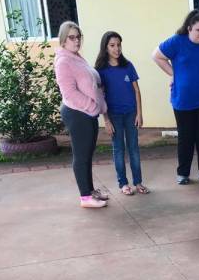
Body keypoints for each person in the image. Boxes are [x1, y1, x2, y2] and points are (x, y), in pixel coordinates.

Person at [152, 10, 199, 185]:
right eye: (198, 30)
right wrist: (173, 74)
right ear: (189, 28)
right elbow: (157, 56)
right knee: (186, 137)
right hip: (183, 100)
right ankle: (183, 173)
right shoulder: (177, 41)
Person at [54, 21, 110, 208]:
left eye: (78, 37)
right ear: (63, 40)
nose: (76, 40)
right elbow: (69, 93)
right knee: (81, 156)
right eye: (72, 37)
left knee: (87, 154)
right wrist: (92, 106)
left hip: (87, 113)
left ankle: (90, 191)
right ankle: (85, 197)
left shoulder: (76, 57)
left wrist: (97, 106)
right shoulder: (63, 62)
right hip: (77, 113)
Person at [95, 31, 149, 195]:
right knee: (118, 149)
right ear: (105, 47)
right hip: (114, 116)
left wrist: (139, 113)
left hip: (131, 113)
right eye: (112, 45)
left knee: (134, 148)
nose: (116, 48)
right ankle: (123, 184)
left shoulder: (128, 65)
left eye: (119, 45)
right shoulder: (101, 70)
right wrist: (106, 120)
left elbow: (137, 90)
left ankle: (138, 182)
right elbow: (101, 96)